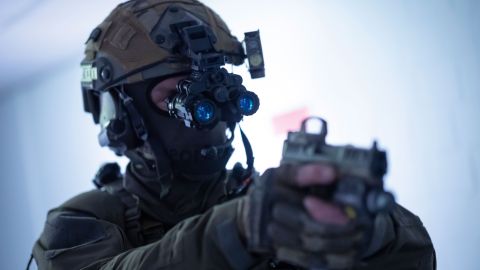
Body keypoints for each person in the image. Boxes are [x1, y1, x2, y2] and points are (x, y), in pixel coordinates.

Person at [31, 0, 436, 269]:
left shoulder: (264, 205)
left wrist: (370, 230)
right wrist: (239, 232)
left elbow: (417, 258)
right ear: (121, 116)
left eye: (212, 89)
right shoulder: (81, 223)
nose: (212, 118)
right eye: (178, 97)